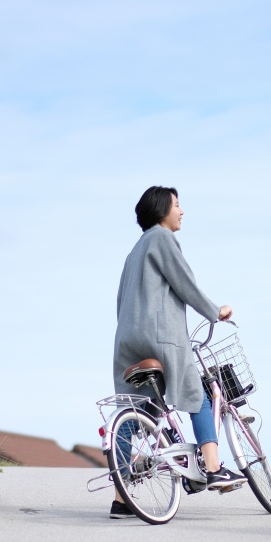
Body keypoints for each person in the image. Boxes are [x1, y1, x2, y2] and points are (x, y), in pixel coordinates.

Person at [109, 185, 245, 519]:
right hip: (160, 337)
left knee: (136, 412)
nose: (182, 211)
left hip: (127, 342)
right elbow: (185, 284)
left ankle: (121, 498)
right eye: (178, 205)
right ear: (161, 210)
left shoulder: (132, 253)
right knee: (196, 393)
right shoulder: (162, 239)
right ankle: (213, 468)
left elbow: (120, 301)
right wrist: (216, 311)